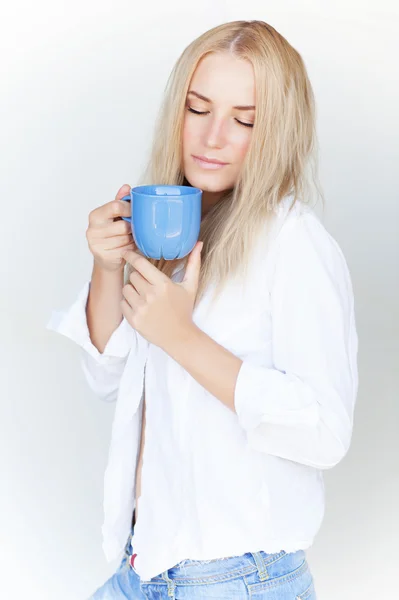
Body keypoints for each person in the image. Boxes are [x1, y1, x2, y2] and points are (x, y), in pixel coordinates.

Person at [47, 19, 358, 599]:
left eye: (245, 120)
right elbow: (106, 376)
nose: (213, 137)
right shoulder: (172, 230)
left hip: (237, 580)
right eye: (198, 109)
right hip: (144, 569)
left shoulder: (295, 243)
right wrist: (106, 265)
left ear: (278, 133)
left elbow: (325, 431)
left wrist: (182, 338)